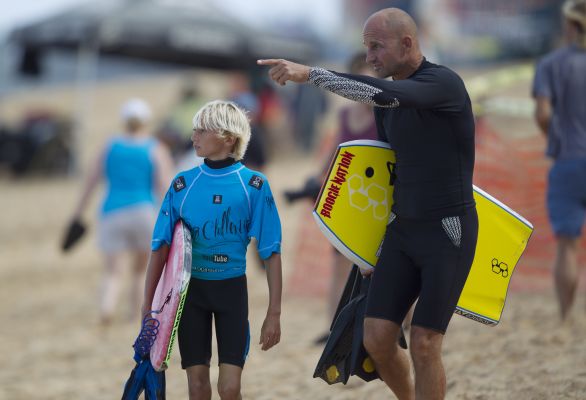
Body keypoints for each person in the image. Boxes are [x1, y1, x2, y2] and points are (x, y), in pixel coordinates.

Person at [259, 7, 478, 400]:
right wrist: (364, 247)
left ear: (407, 44)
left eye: (377, 47)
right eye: (366, 48)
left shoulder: (442, 83)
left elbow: (386, 93)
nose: (371, 56)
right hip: (401, 230)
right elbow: (381, 174)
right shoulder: (385, 106)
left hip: (447, 231)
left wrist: (311, 74)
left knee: (425, 341)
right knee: (376, 337)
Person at [141, 100, 283, 400]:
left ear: (228, 138)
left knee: (229, 389)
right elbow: (161, 248)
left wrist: (274, 313)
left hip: (232, 291)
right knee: (197, 388)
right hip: (190, 295)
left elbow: (271, 251)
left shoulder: (254, 185)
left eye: (202, 130)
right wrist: (148, 305)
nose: (193, 137)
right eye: (194, 130)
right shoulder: (182, 185)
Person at [70, 98, 174, 325]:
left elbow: (91, 182)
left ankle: (106, 308)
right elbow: (164, 186)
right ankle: (134, 314)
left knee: (112, 271)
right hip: (144, 212)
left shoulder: (109, 147)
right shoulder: (155, 148)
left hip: (112, 212)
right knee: (140, 270)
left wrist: (78, 213)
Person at [532, 0, 586, 322]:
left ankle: (565, 316)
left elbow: (543, 113)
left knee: (567, 245)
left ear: (570, 24)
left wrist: (554, 137)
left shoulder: (551, 63)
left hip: (569, 159)